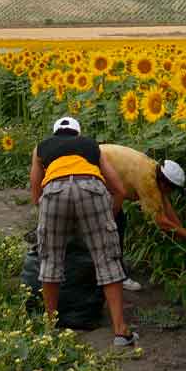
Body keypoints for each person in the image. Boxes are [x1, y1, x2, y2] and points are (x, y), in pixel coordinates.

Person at [30, 116, 137, 347]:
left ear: (55, 133)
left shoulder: (41, 147)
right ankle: (121, 331)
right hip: (91, 187)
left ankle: (50, 328)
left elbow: (35, 193)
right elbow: (118, 188)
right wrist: (109, 214)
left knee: (50, 260)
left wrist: (55, 218)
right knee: (107, 260)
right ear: (77, 134)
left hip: (54, 191)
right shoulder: (91, 146)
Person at [99, 144, 186, 291]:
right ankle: (117, 276)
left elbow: (165, 205)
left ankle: (105, 269)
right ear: (165, 184)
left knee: (114, 222)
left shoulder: (154, 168)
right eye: (172, 189)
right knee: (115, 225)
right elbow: (162, 222)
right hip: (95, 172)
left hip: (98, 164)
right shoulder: (148, 181)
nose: (171, 193)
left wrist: (181, 229)